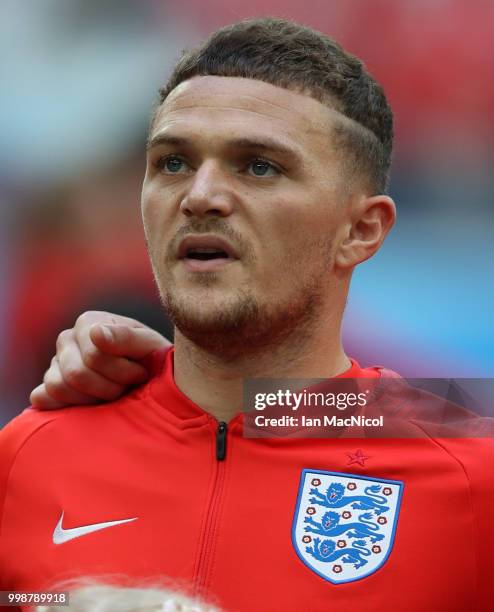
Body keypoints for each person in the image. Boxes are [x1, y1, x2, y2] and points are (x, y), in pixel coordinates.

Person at [1, 17, 493, 612]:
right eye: (173, 163)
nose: (200, 194)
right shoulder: (26, 457)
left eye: (259, 166)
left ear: (361, 230)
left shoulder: (470, 481)